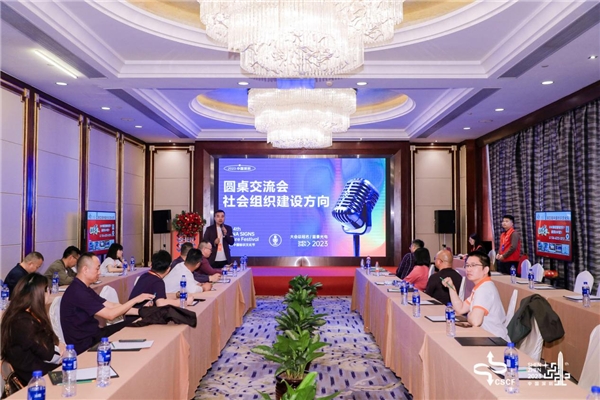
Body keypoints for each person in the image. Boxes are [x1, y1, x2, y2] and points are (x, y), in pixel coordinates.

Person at [60, 252, 154, 354]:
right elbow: (110, 315)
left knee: (134, 322)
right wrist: (135, 300)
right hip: (85, 344)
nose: (100, 272)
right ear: (85, 270)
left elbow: (112, 305)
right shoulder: (78, 292)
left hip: (94, 334)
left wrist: (140, 311)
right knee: (132, 328)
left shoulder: (83, 287)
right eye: (97, 269)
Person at [0, 273, 63, 385]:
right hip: (34, 378)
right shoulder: (24, 322)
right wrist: (62, 354)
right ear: (39, 294)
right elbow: (48, 354)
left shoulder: (19, 314)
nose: (49, 293)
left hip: (35, 369)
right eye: (47, 289)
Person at [442, 251, 509, 341]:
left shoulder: (484, 289)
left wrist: (469, 314)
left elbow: (476, 321)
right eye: (467, 265)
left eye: (473, 265)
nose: (469, 269)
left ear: (485, 270)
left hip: (495, 341)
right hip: (487, 338)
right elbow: (460, 309)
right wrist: (451, 287)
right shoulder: (480, 287)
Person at [128, 250, 195, 309]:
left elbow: (159, 296)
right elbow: (161, 303)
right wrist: (184, 302)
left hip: (131, 314)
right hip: (138, 316)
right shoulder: (157, 281)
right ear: (168, 269)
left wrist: (177, 295)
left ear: (151, 265)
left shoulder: (145, 276)